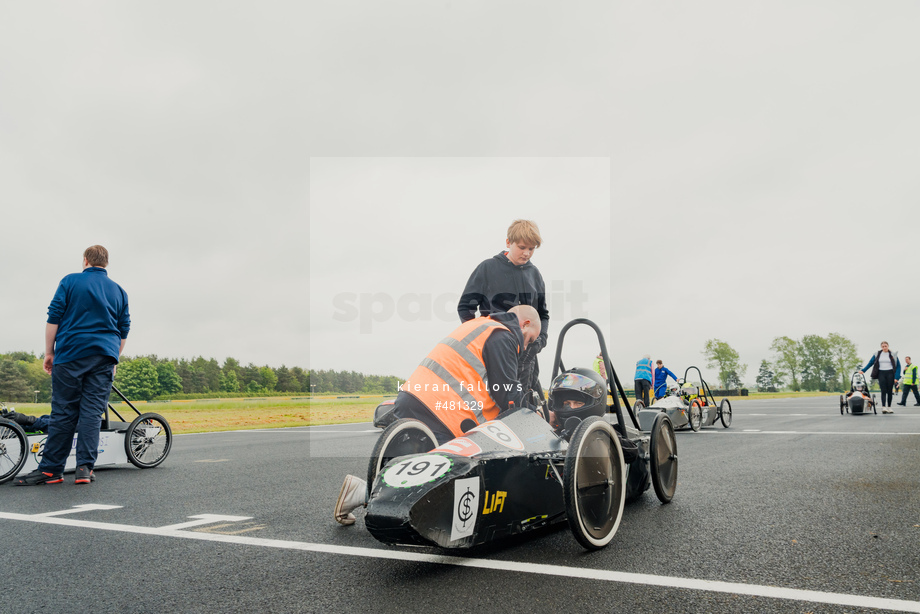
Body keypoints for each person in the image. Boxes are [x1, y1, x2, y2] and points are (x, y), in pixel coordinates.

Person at [334, 305, 541, 525]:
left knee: (411, 470)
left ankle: (361, 491)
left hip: (413, 396)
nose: (525, 346)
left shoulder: (479, 326)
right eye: (529, 339)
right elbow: (507, 391)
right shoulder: (503, 335)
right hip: (442, 409)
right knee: (445, 480)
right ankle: (362, 493)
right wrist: (531, 412)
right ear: (525, 324)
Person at [14, 245, 130, 486]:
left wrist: (49, 353)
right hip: (104, 356)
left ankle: (51, 470)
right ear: (105, 263)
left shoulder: (70, 281)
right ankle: (85, 469)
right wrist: (114, 357)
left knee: (64, 412)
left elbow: (54, 317)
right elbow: (123, 330)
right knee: (91, 413)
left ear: (85, 260)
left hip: (71, 353)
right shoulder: (119, 291)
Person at [457, 219, 549, 399]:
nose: (527, 253)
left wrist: (540, 340)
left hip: (528, 353)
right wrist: (481, 338)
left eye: (531, 249)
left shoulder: (535, 274)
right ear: (508, 242)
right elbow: (465, 307)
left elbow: (543, 314)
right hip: (497, 349)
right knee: (499, 398)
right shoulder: (487, 268)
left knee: (527, 400)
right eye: (522, 247)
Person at [861, 341, 900, 414]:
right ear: (881, 347)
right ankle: (884, 407)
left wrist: (896, 377)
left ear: (888, 346)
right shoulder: (877, 354)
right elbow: (870, 363)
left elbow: (898, 366)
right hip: (881, 373)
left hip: (890, 373)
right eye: (883, 346)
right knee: (883, 391)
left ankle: (889, 407)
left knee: (889, 391)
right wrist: (863, 370)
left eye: (885, 346)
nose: (884, 348)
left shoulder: (893, 354)